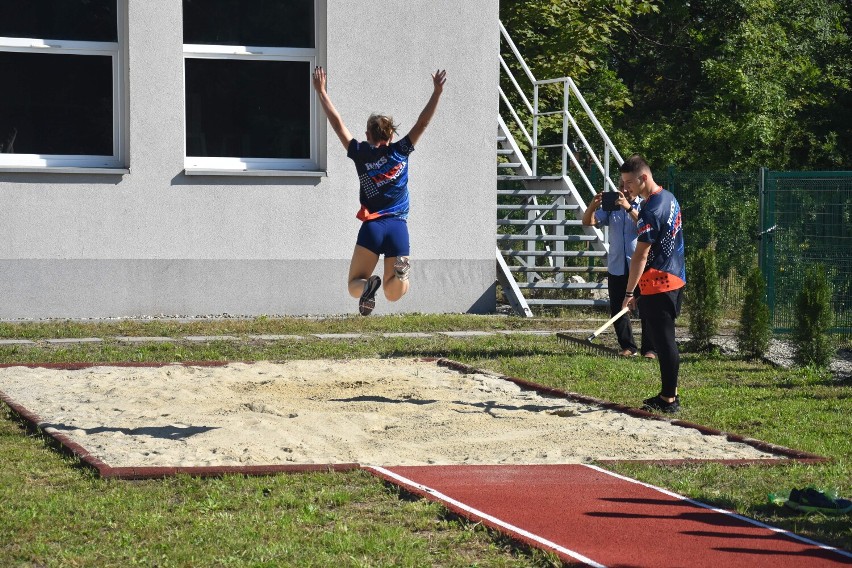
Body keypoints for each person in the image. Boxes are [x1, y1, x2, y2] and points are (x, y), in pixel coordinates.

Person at [312, 66, 446, 315]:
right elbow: (423, 123)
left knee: (354, 284)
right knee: (393, 292)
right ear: (392, 135)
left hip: (372, 227)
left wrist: (321, 92)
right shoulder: (400, 151)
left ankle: (367, 287)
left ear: (367, 135)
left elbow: (338, 124)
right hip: (398, 227)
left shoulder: (360, 153)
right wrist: (437, 92)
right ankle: (401, 275)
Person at [620, 154, 686, 413]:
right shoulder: (668, 197)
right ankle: (670, 393)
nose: (626, 189)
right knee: (665, 340)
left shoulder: (649, 209)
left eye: (629, 183)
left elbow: (641, 253)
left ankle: (668, 399)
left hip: (660, 281)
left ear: (643, 177)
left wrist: (629, 291)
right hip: (674, 277)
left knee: (664, 342)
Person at [582, 180, 655, 358]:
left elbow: (647, 226)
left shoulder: (645, 204)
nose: (624, 190)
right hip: (617, 265)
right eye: (621, 186)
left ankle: (650, 349)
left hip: (640, 265)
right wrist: (593, 205)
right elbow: (587, 221)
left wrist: (628, 207)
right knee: (617, 307)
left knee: (647, 308)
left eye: (627, 186)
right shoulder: (611, 208)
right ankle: (628, 346)